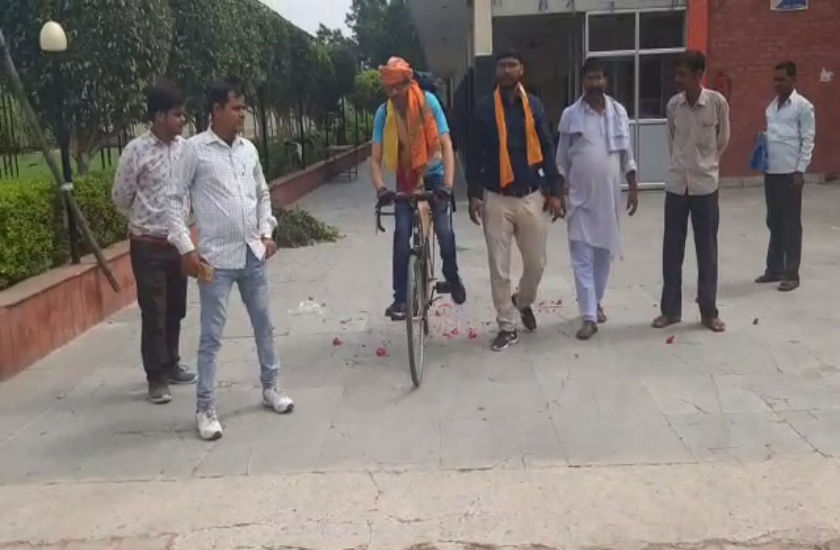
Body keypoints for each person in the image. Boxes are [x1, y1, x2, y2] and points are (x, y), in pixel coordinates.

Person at [167, 82, 293, 441]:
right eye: (236, 108)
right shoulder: (194, 150)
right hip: (216, 261)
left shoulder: (248, 150)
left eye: (243, 108)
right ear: (217, 109)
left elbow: (262, 192)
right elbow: (174, 201)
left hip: (252, 254)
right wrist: (185, 248)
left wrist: (267, 232)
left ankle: (271, 387)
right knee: (211, 336)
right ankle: (205, 408)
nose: (242, 114)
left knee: (264, 325)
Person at [467, 50, 564, 352]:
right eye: (502, 66)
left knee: (536, 263)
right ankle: (506, 326)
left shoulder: (534, 105)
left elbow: (547, 146)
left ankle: (522, 301)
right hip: (496, 197)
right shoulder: (484, 108)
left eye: (512, 65)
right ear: (496, 71)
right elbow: (474, 152)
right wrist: (474, 193)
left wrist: (556, 190)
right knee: (499, 268)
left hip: (531, 195)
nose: (507, 70)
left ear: (522, 70)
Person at [112, 81, 196, 404]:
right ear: (159, 116)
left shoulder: (185, 149)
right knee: (154, 312)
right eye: (177, 114)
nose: (183, 120)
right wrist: (145, 214)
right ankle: (156, 377)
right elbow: (121, 195)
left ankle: (172, 363)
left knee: (176, 308)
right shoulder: (136, 151)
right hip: (148, 244)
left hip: (178, 243)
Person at [371, 57, 466, 321]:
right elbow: (375, 158)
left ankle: (452, 276)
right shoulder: (384, 113)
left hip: (435, 176)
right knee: (402, 232)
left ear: (409, 82)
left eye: (398, 86)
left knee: (444, 231)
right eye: (388, 88)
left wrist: (448, 185)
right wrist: (381, 188)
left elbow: (446, 145)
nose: (394, 93)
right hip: (406, 178)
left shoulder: (429, 102)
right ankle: (400, 298)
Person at [556, 58, 638, 341]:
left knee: (603, 255)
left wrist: (633, 186)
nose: (595, 83)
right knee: (581, 258)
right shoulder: (570, 115)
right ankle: (588, 316)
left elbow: (627, 154)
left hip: (608, 200)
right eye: (590, 78)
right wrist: (559, 193)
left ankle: (596, 302)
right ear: (583, 82)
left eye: (599, 78)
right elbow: (561, 160)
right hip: (579, 200)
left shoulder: (618, 112)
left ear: (606, 80)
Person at [652, 51, 730, 333]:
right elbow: (671, 140)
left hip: (705, 188)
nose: (677, 79)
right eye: (677, 74)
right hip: (676, 187)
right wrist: (683, 166)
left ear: (698, 75)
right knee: (672, 251)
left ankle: (708, 312)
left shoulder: (717, 103)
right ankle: (670, 311)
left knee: (707, 252)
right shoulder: (674, 105)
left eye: (683, 74)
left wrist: (705, 165)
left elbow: (723, 140)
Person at [755, 61, 815, 292]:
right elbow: (777, 135)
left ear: (793, 79)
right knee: (774, 221)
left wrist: (800, 170)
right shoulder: (771, 108)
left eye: (782, 79)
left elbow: (808, 140)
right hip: (771, 172)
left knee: (791, 224)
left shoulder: (803, 107)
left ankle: (791, 274)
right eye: (775, 79)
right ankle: (774, 269)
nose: (777, 83)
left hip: (791, 174)